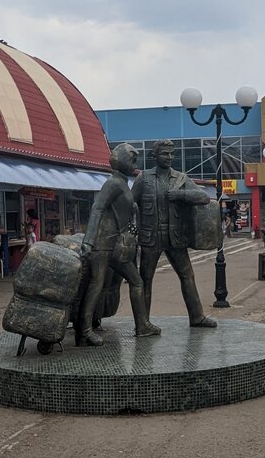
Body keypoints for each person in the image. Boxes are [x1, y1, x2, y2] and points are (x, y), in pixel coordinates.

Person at [77, 144, 162, 345]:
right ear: (122, 160)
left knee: (136, 281)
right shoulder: (113, 183)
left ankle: (142, 325)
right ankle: (84, 330)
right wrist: (88, 241)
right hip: (102, 243)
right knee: (96, 284)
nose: (135, 164)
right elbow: (97, 209)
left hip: (115, 243)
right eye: (132, 160)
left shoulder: (122, 183)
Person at [132, 139, 217, 328]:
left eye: (172, 153)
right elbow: (129, 204)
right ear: (154, 156)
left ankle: (197, 316)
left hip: (175, 237)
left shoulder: (181, 179)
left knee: (187, 276)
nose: (169, 157)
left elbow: (204, 197)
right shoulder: (143, 178)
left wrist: (181, 195)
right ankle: (143, 323)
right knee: (145, 279)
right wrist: (131, 230)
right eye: (165, 153)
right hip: (151, 238)